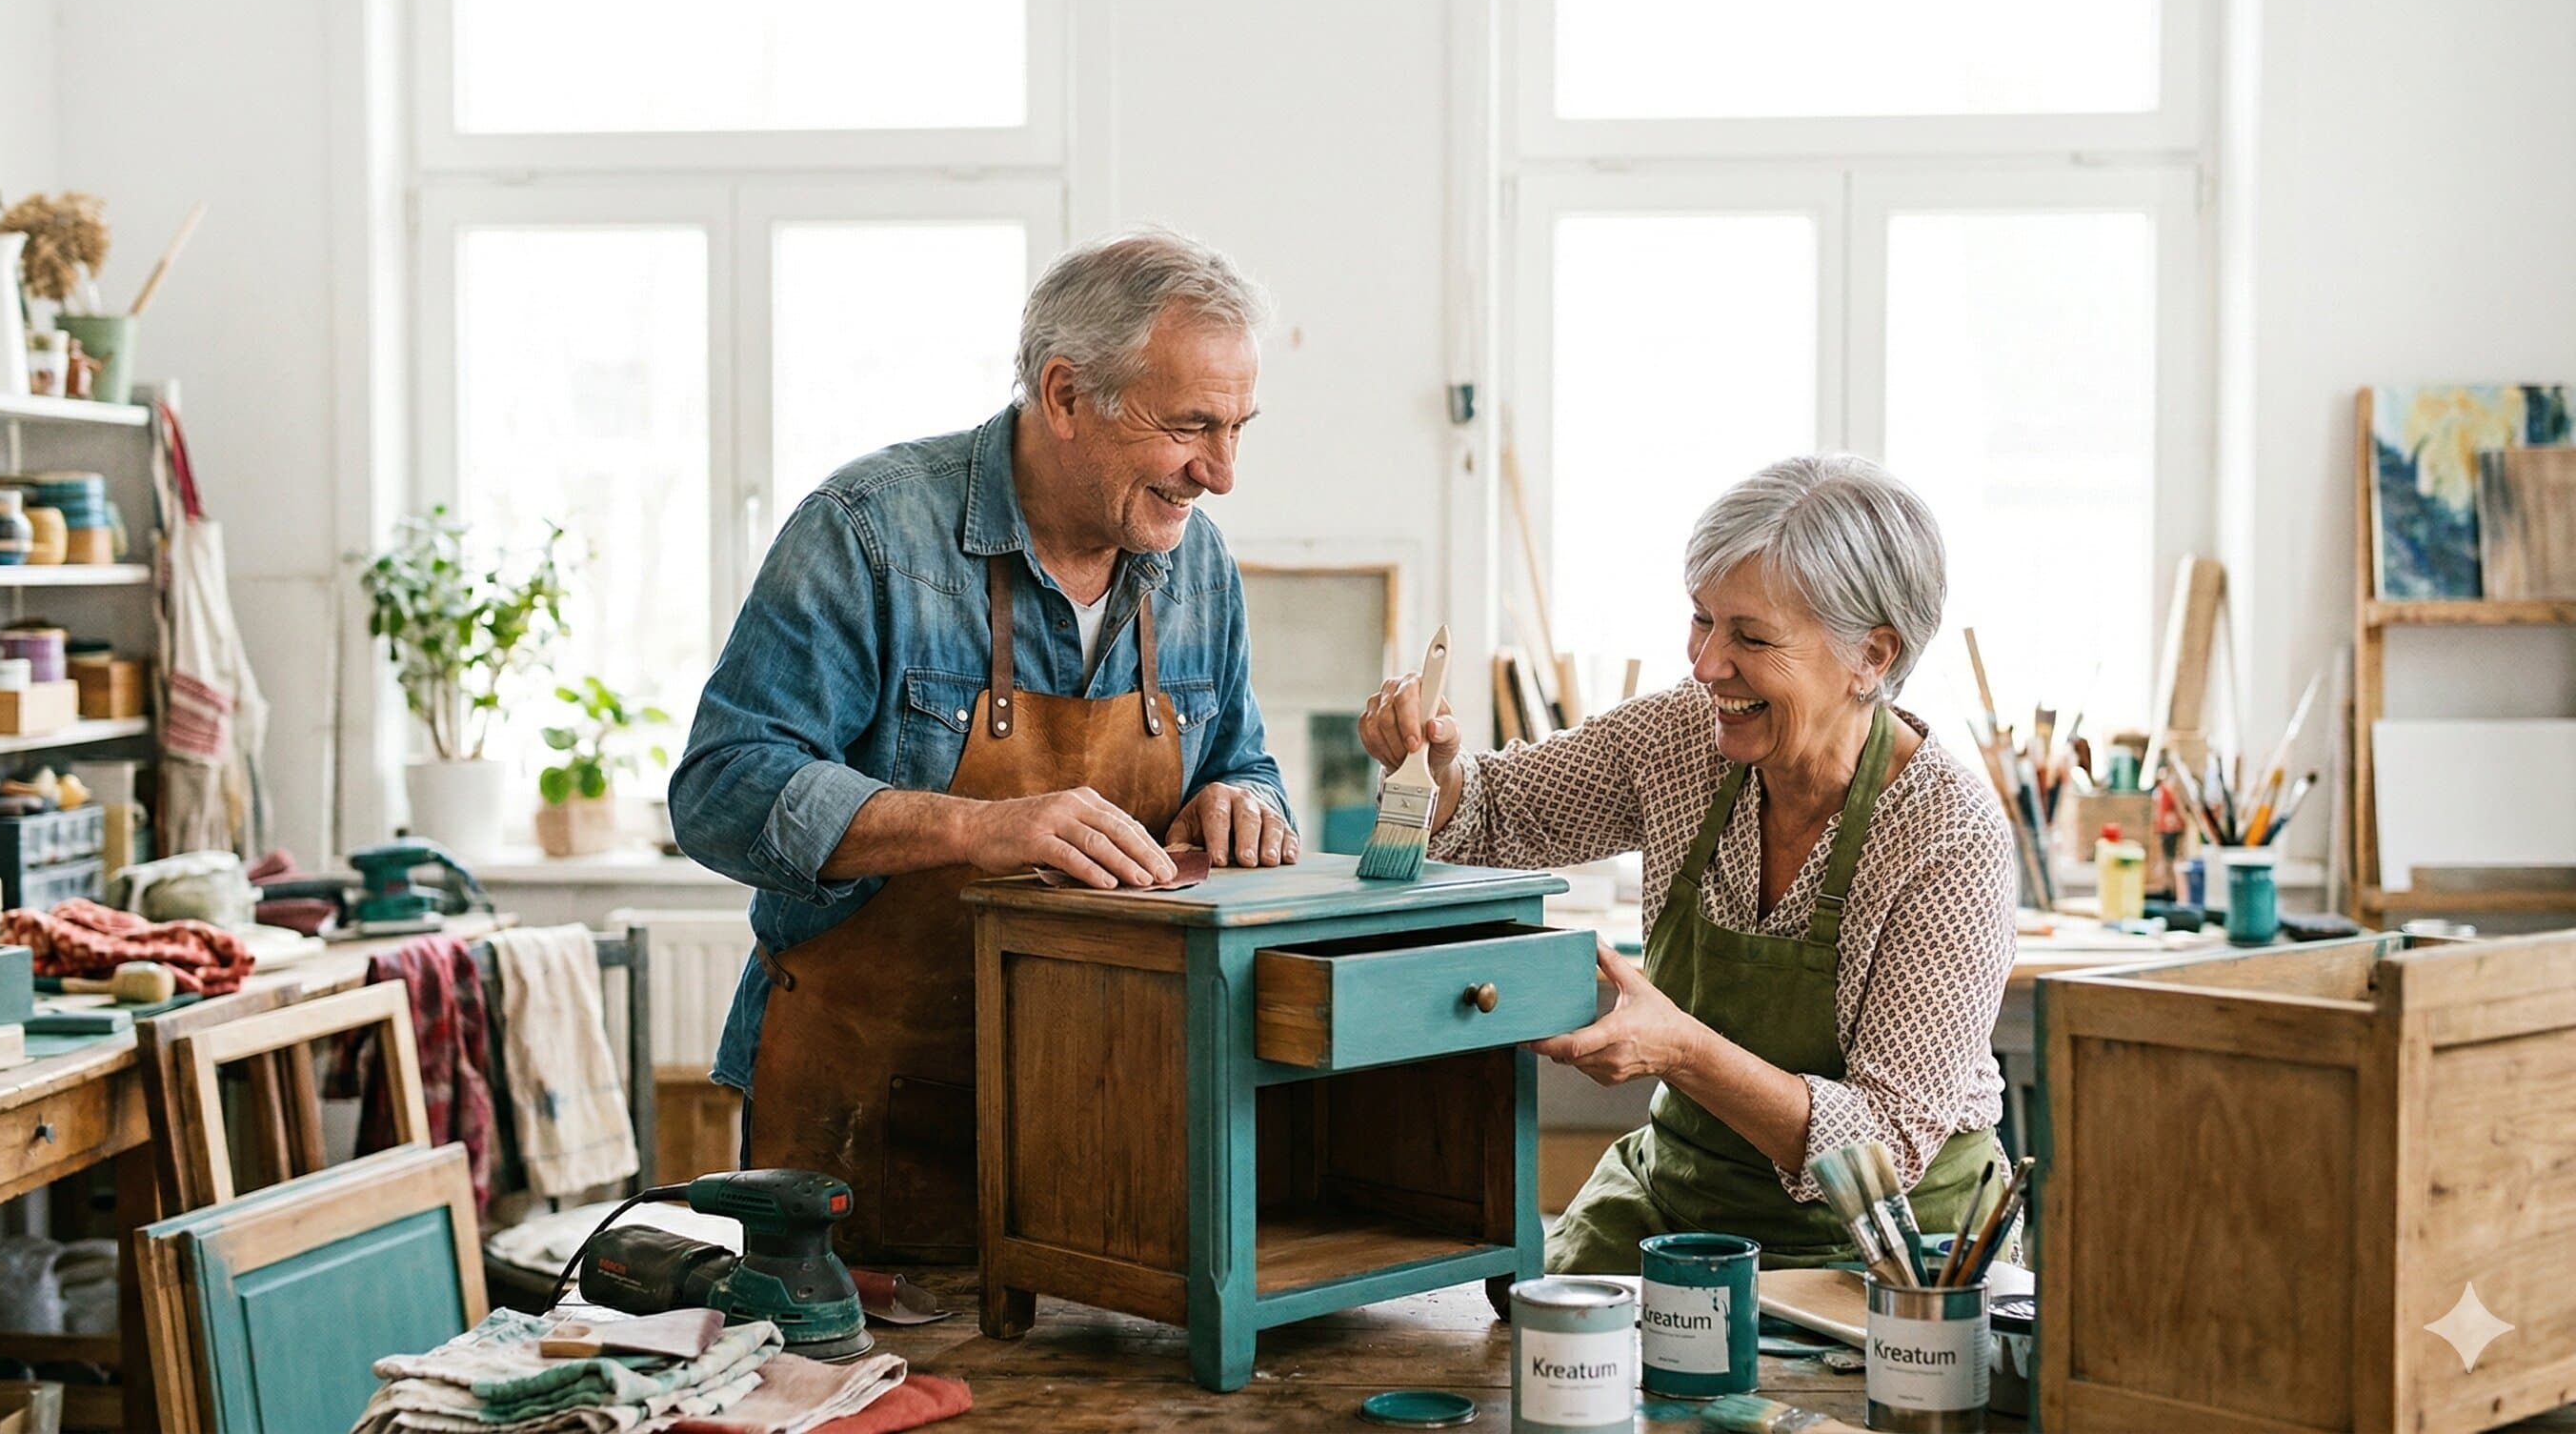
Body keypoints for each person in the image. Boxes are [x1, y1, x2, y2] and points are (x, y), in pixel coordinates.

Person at [674, 229, 1300, 1263]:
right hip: (863, 1128)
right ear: (1064, 394)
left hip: (1112, 1128)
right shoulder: (867, 532)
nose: (1220, 473)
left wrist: (1245, 800)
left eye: (1238, 427)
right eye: (1189, 425)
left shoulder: (1196, 568)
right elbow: (723, 789)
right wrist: (977, 827)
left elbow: (1244, 759)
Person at [1358, 454, 2015, 1273]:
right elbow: (1498, 812)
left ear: (1872, 656)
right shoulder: (1684, 739)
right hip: (1686, 1194)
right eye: (1702, 620)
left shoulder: (1948, 835)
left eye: (1752, 637)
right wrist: (1439, 766)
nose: (1707, 665)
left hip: (1890, 1237)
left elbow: (1884, 1143)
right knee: (1538, 1339)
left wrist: (1683, 1051)